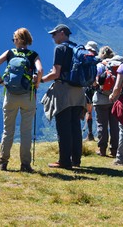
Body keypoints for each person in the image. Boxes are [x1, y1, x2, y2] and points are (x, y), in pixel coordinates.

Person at [0, 28, 43, 173]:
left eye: (14, 38)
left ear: (18, 40)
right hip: (28, 96)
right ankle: (25, 165)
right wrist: (36, 84)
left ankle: (3, 163)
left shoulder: (9, 53)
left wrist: (1, 82)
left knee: (8, 130)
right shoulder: (33, 55)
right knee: (26, 132)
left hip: (11, 95)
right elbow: (40, 71)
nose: (13, 41)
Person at [41, 24, 86, 169]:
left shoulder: (60, 49)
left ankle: (64, 161)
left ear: (62, 33)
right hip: (79, 92)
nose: (52, 37)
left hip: (64, 92)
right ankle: (76, 161)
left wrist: (40, 80)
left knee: (63, 127)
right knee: (75, 127)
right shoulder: (78, 48)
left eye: (54, 34)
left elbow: (56, 73)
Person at [93, 46, 120, 157]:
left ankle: (102, 149)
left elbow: (95, 83)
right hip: (114, 98)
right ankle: (114, 150)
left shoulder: (99, 66)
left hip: (100, 99)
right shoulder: (117, 65)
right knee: (114, 125)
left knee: (102, 125)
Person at [83, 41, 99, 141]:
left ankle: (90, 134)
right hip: (97, 88)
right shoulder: (97, 60)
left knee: (88, 111)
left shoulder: (84, 59)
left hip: (87, 88)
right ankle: (102, 133)